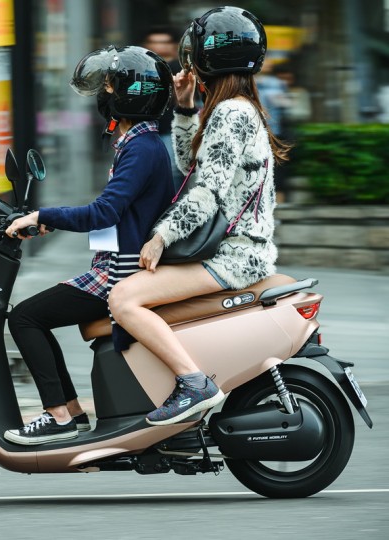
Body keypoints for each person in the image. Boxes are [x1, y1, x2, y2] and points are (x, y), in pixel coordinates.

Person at [108, 6, 291, 426]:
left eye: (194, 53)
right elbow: (196, 167)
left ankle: (192, 382)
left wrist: (161, 237)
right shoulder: (239, 108)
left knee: (123, 298)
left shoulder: (231, 113)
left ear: (210, 58)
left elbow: (206, 192)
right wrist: (185, 108)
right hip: (240, 251)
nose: (188, 62)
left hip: (233, 256)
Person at [2, 45, 175, 445]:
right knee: (31, 316)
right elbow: (114, 214)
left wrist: (43, 215)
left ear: (128, 95)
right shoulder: (139, 143)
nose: (104, 93)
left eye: (109, 85)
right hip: (117, 263)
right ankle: (72, 412)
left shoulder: (141, 149)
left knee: (24, 318)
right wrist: (49, 221)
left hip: (120, 273)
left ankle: (60, 415)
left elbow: (104, 212)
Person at [142, 26, 183, 187]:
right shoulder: (140, 69)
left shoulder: (181, 69)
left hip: (172, 130)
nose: (159, 46)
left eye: (164, 42)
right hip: (144, 130)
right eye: (154, 42)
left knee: (171, 171)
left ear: (174, 46)